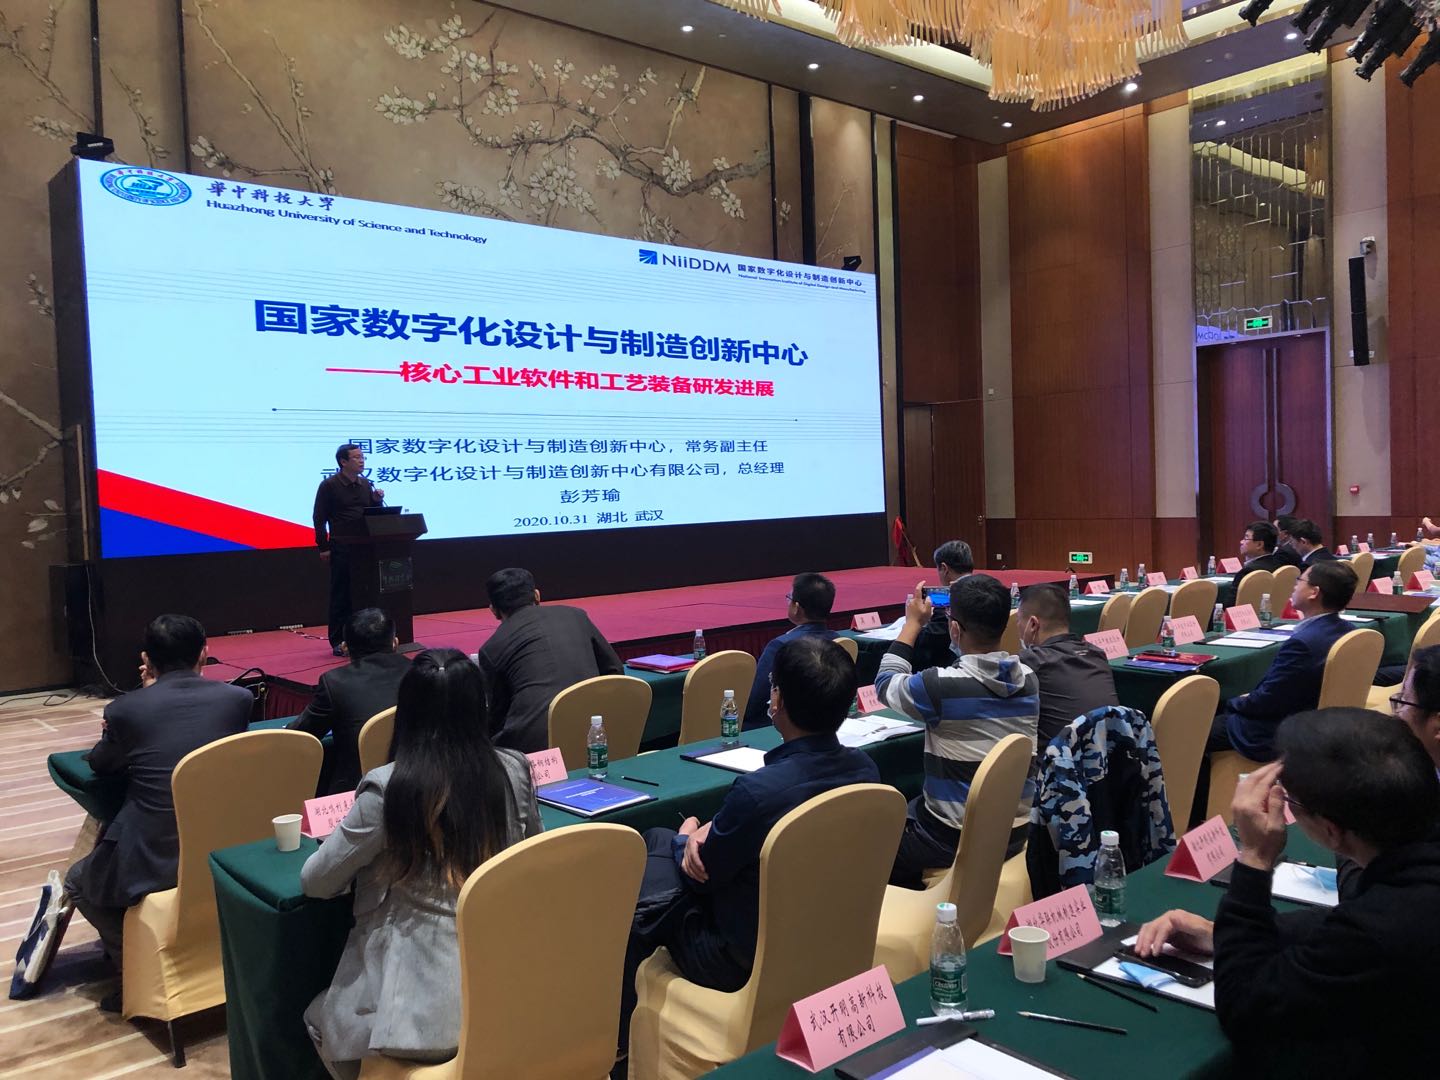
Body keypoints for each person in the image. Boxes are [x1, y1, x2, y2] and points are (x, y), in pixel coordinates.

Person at [1136, 709, 1440, 1076]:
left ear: (1331, 832)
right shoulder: (1405, 884)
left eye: (1291, 802)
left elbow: (1245, 1005)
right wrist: (1223, 935)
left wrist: (1254, 857)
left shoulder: (1380, 928)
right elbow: (1344, 927)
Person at [618, 637, 878, 1055]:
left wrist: (688, 836)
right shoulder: (866, 770)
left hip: (741, 959)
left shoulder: (759, 793)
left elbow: (700, 878)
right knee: (664, 848)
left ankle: (620, 1029)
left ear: (778, 701)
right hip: (829, 936)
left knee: (655, 857)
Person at [301, 649, 541, 1080]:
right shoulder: (514, 769)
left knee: (318, 1016)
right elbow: (531, 854)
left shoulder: (389, 788)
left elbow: (316, 881)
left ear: (405, 712)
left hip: (420, 1018)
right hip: (510, 983)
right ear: (481, 708)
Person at [61, 615, 252, 1008]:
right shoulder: (238, 700)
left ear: (146, 659)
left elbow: (102, 763)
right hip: (226, 849)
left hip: (154, 857)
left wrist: (142, 695)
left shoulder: (126, 709)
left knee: (78, 882)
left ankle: (136, 972)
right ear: (205, 654)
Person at [876, 575, 1040, 888]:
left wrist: (912, 624)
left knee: (873, 841)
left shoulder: (938, 686)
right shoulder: (1029, 678)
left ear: (954, 629)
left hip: (952, 839)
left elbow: (885, 683)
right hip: (1017, 830)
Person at [1208, 561, 1357, 762]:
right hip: (1323, 718)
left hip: (1281, 729)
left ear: (1314, 592)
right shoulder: (1348, 629)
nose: (1294, 586)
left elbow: (1267, 702)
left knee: (1193, 731)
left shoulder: (1302, 644)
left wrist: (1232, 701)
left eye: (1300, 581)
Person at [475, 567, 623, 753]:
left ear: (493, 610)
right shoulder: (576, 616)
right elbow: (615, 671)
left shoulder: (491, 648)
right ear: (537, 595)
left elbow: (497, 716)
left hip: (533, 750)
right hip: (596, 736)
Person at [288, 608, 412, 795]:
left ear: (345, 647)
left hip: (359, 792)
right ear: (395, 643)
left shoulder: (334, 683)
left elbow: (299, 737)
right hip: (419, 782)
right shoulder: (420, 672)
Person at [1015, 583, 1119, 749]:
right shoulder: (1097, 654)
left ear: (1033, 624)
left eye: (1018, 621)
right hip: (1108, 757)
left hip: (1060, 762)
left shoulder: (1032, 661)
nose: (1018, 628)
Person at [314, 443, 385, 657]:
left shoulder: (366, 484)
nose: (362, 461)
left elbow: (372, 514)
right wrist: (323, 546)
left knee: (365, 593)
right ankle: (338, 640)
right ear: (343, 462)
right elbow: (319, 518)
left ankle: (367, 638)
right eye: (356, 457)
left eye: (363, 457)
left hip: (365, 547)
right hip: (341, 547)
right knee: (342, 595)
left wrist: (377, 501)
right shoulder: (329, 485)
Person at [742, 572, 837, 729]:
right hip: (826, 719)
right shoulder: (838, 640)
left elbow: (754, 703)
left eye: (789, 599)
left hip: (782, 725)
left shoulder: (781, 646)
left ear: (796, 608)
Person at [914, 540, 976, 671]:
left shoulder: (950, 600)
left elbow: (928, 642)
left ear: (944, 568)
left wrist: (914, 623)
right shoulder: (989, 590)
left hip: (954, 668)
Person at [1220, 521, 1289, 607]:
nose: (1241, 542)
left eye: (1246, 538)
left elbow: (1229, 606)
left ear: (1259, 545)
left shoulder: (1248, 571)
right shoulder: (1279, 566)